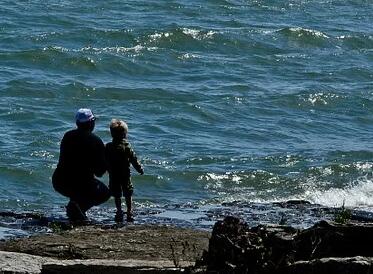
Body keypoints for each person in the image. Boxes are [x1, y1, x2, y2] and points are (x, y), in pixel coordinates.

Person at [52, 108, 110, 222]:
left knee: (77, 187)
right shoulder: (96, 141)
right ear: (91, 123)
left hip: (60, 182)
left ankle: (75, 205)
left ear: (77, 122)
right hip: (81, 185)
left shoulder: (67, 136)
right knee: (105, 193)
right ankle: (77, 208)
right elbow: (100, 173)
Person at [105, 119, 144, 222]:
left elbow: (104, 159)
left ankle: (119, 211)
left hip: (113, 175)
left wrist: (104, 169)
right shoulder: (127, 146)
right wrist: (139, 169)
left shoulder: (108, 146)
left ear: (111, 134)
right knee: (128, 192)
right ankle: (129, 211)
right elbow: (133, 159)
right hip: (125, 174)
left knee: (116, 194)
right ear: (125, 134)